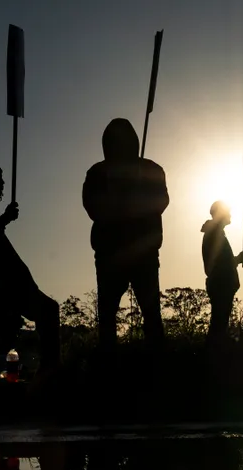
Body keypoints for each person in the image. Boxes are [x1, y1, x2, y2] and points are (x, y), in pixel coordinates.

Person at [82, 118, 170, 355]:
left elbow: (161, 201)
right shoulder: (98, 173)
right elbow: (92, 206)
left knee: (151, 314)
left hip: (144, 253)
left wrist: (136, 196)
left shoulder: (151, 170)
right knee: (108, 317)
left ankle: (155, 366)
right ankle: (109, 367)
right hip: (110, 255)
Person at [0, 158, 61, 376]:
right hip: (7, 279)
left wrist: (3, 220)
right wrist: (5, 219)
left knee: (1, 329)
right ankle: (50, 370)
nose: (2, 183)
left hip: (8, 278)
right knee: (47, 311)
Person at [200, 201, 243, 351]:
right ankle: (214, 357)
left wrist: (236, 260)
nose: (230, 214)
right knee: (218, 326)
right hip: (221, 284)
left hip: (221, 284)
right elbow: (221, 263)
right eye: (227, 211)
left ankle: (214, 354)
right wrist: (237, 260)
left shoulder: (215, 234)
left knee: (219, 324)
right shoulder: (214, 235)